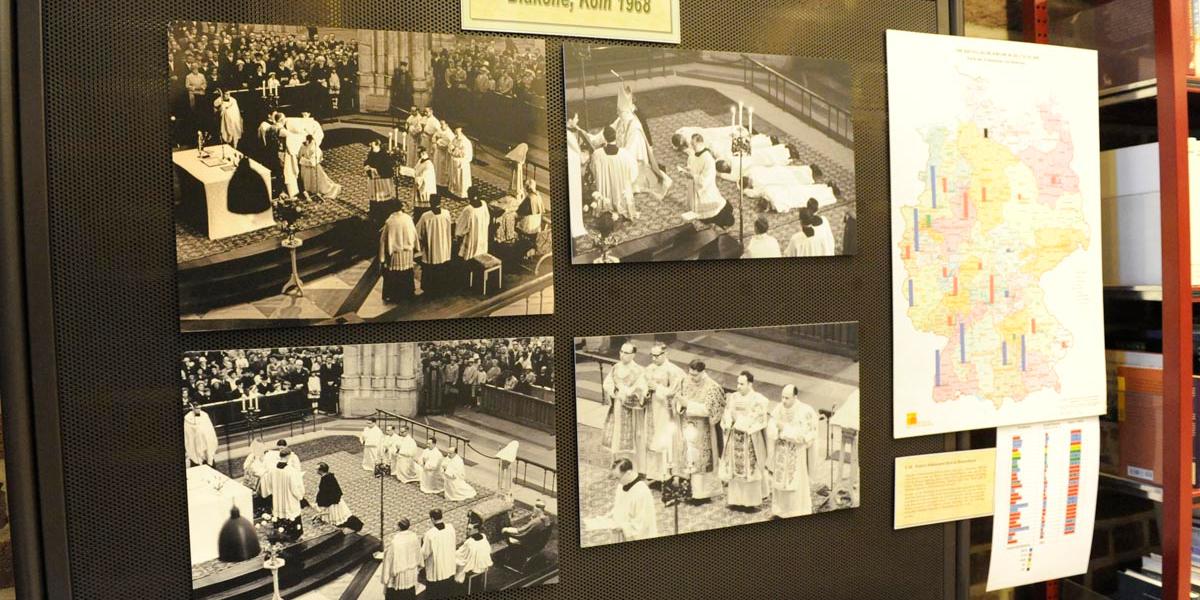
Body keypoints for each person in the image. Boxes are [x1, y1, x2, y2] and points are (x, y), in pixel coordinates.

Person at [673, 360, 726, 501]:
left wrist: (688, 404)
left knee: (702, 461)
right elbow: (677, 400)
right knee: (687, 457)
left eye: (695, 375)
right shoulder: (684, 381)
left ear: (703, 372)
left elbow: (709, 410)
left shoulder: (712, 387)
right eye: (690, 374)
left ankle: (703, 493)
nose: (692, 378)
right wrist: (680, 405)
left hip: (704, 430)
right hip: (687, 427)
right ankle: (687, 489)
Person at [720, 371, 771, 509]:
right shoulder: (733, 398)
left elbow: (758, 420)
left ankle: (750, 502)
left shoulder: (758, 400)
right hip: (734, 438)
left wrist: (739, 421)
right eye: (737, 383)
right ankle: (735, 501)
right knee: (734, 471)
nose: (738, 386)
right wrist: (729, 421)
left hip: (750, 440)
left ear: (750, 384)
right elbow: (727, 413)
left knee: (751, 471)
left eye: (742, 384)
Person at [767, 384, 818, 518]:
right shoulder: (778, 408)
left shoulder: (805, 411)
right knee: (779, 481)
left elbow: (803, 436)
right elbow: (771, 427)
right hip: (781, 452)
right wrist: (776, 430)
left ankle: (795, 512)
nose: (783, 401)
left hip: (796, 453)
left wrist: (784, 429)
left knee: (795, 481)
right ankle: (779, 510)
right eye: (782, 397)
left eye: (787, 398)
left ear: (795, 397)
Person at [602, 342, 648, 471]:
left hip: (631, 410)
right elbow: (607, 383)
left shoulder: (639, 371)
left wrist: (627, 393)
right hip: (617, 406)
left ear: (633, 355)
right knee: (616, 436)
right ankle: (617, 465)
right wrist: (614, 392)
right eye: (621, 352)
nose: (622, 355)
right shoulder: (616, 367)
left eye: (626, 353)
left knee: (634, 437)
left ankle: (634, 467)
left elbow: (641, 390)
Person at [641, 343, 683, 484]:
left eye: (657, 355)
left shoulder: (673, 371)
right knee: (651, 439)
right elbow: (642, 387)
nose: (653, 358)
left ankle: (667, 472)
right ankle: (654, 473)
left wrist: (657, 388)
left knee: (665, 440)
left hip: (665, 410)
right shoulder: (649, 369)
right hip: (652, 408)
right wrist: (646, 391)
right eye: (652, 355)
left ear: (665, 354)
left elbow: (674, 392)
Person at [581, 124, 638, 221]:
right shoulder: (625, 154)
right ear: (616, 137)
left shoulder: (597, 154)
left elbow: (594, 171)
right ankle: (621, 208)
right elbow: (633, 173)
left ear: (604, 138)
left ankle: (607, 208)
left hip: (605, 189)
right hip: (621, 188)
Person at [679, 133, 734, 229]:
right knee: (698, 212)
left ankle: (723, 218)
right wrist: (686, 171)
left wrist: (693, 176)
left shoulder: (708, 159)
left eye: (694, 144)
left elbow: (706, 179)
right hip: (694, 188)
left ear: (700, 143)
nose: (692, 146)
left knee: (713, 213)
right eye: (691, 144)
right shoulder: (692, 155)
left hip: (705, 190)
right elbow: (690, 166)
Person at [604, 458, 657, 542]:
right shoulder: (621, 485)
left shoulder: (642, 492)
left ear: (628, 473)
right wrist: (611, 515)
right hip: (621, 532)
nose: (617, 482)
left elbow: (642, 525)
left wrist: (622, 527)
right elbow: (619, 506)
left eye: (618, 478)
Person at [416, 195, 453, 297]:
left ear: (430, 203)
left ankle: (430, 289)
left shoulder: (426, 216)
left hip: (432, 249)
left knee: (431, 269)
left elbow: (418, 233)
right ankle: (442, 289)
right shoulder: (446, 213)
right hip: (444, 248)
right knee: (442, 267)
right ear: (440, 202)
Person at [379, 206, 417, 303]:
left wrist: (382, 259)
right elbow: (414, 233)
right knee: (407, 273)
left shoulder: (390, 221)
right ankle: (408, 293)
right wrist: (415, 248)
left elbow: (382, 241)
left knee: (395, 274)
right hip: (407, 252)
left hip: (396, 254)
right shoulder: (408, 218)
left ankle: (395, 295)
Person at [380, 518, 421, 600]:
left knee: (396, 595)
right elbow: (418, 552)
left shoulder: (395, 542)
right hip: (411, 571)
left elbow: (389, 560)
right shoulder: (414, 536)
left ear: (399, 527)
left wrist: (385, 578)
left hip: (399, 574)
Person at [421, 508, 457, 599]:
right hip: (449, 567)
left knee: (435, 594)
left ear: (432, 519)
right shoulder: (450, 528)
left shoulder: (430, 534)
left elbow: (425, 553)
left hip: (437, 571)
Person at [263, 451, 305, 521]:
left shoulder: (272, 469)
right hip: (290, 501)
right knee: (291, 518)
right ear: (288, 456)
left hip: (278, 500)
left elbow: (269, 484)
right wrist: (300, 496)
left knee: (280, 519)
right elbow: (295, 487)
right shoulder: (291, 471)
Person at [298, 134, 342, 200]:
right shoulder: (303, 146)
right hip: (305, 168)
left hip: (313, 169)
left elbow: (313, 162)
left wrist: (303, 160)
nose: (304, 143)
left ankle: (330, 190)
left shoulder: (315, 149)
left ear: (309, 140)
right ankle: (310, 192)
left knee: (321, 184)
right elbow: (299, 156)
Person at [455, 521, 493, 593]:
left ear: (476, 530)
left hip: (473, 568)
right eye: (467, 529)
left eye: (469, 529)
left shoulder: (470, 542)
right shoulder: (484, 537)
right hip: (483, 566)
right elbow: (489, 550)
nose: (467, 531)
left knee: (455, 561)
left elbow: (460, 554)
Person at [456, 189, 491, 261]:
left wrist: (458, 234)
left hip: (472, 238)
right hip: (482, 237)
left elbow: (461, 227)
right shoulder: (484, 204)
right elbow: (487, 219)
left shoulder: (468, 209)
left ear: (469, 197)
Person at [183, 402, 219, 467]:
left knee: (209, 460)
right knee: (196, 464)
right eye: (196, 408)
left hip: (206, 443)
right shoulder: (188, 418)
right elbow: (188, 433)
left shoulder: (205, 415)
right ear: (192, 408)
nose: (198, 410)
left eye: (199, 408)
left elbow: (210, 430)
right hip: (195, 445)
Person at [449, 127, 474, 199]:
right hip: (454, 161)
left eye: (458, 132)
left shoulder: (465, 142)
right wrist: (453, 149)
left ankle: (462, 194)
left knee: (461, 179)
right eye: (455, 132)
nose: (456, 133)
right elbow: (450, 146)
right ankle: (454, 191)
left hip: (461, 163)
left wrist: (454, 149)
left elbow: (464, 154)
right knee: (454, 177)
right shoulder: (455, 139)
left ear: (461, 131)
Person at [412, 148, 436, 214]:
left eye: (418, 153)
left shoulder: (428, 164)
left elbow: (424, 178)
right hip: (419, 187)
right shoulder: (420, 160)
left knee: (424, 209)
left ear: (423, 153)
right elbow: (415, 169)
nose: (417, 155)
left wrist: (416, 179)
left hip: (425, 189)